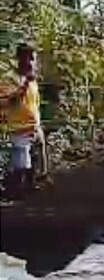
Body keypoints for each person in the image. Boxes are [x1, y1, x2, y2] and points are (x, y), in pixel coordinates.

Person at [1, 43, 45, 199]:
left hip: (33, 126)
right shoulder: (9, 78)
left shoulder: (32, 80)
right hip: (18, 126)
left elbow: (35, 103)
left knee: (34, 159)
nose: (32, 62)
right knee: (21, 161)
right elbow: (8, 100)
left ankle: (29, 186)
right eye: (29, 58)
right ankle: (13, 190)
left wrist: (38, 122)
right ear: (20, 59)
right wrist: (25, 84)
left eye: (34, 59)